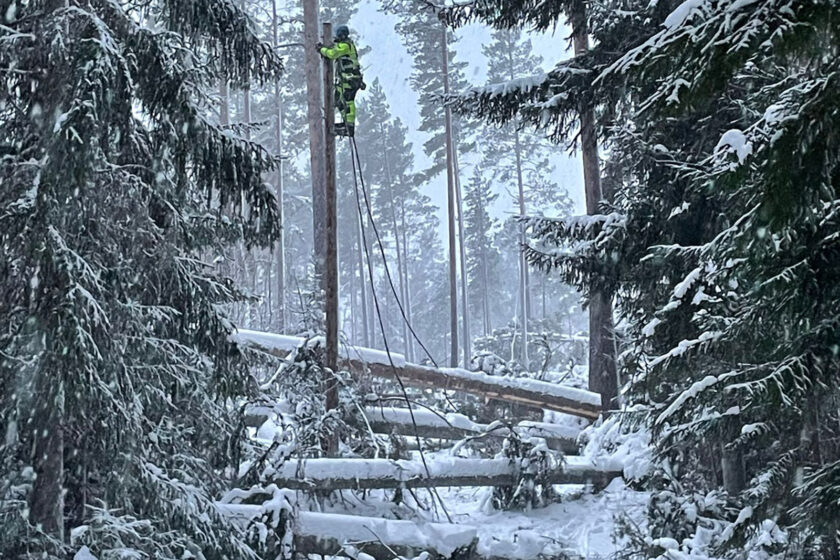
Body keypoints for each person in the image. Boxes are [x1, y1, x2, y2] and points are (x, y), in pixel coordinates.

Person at [317, 25, 365, 137]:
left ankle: (349, 126)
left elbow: (332, 54)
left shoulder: (345, 46)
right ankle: (345, 123)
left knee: (348, 101)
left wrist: (321, 49)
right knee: (338, 100)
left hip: (351, 79)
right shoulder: (345, 45)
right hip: (346, 80)